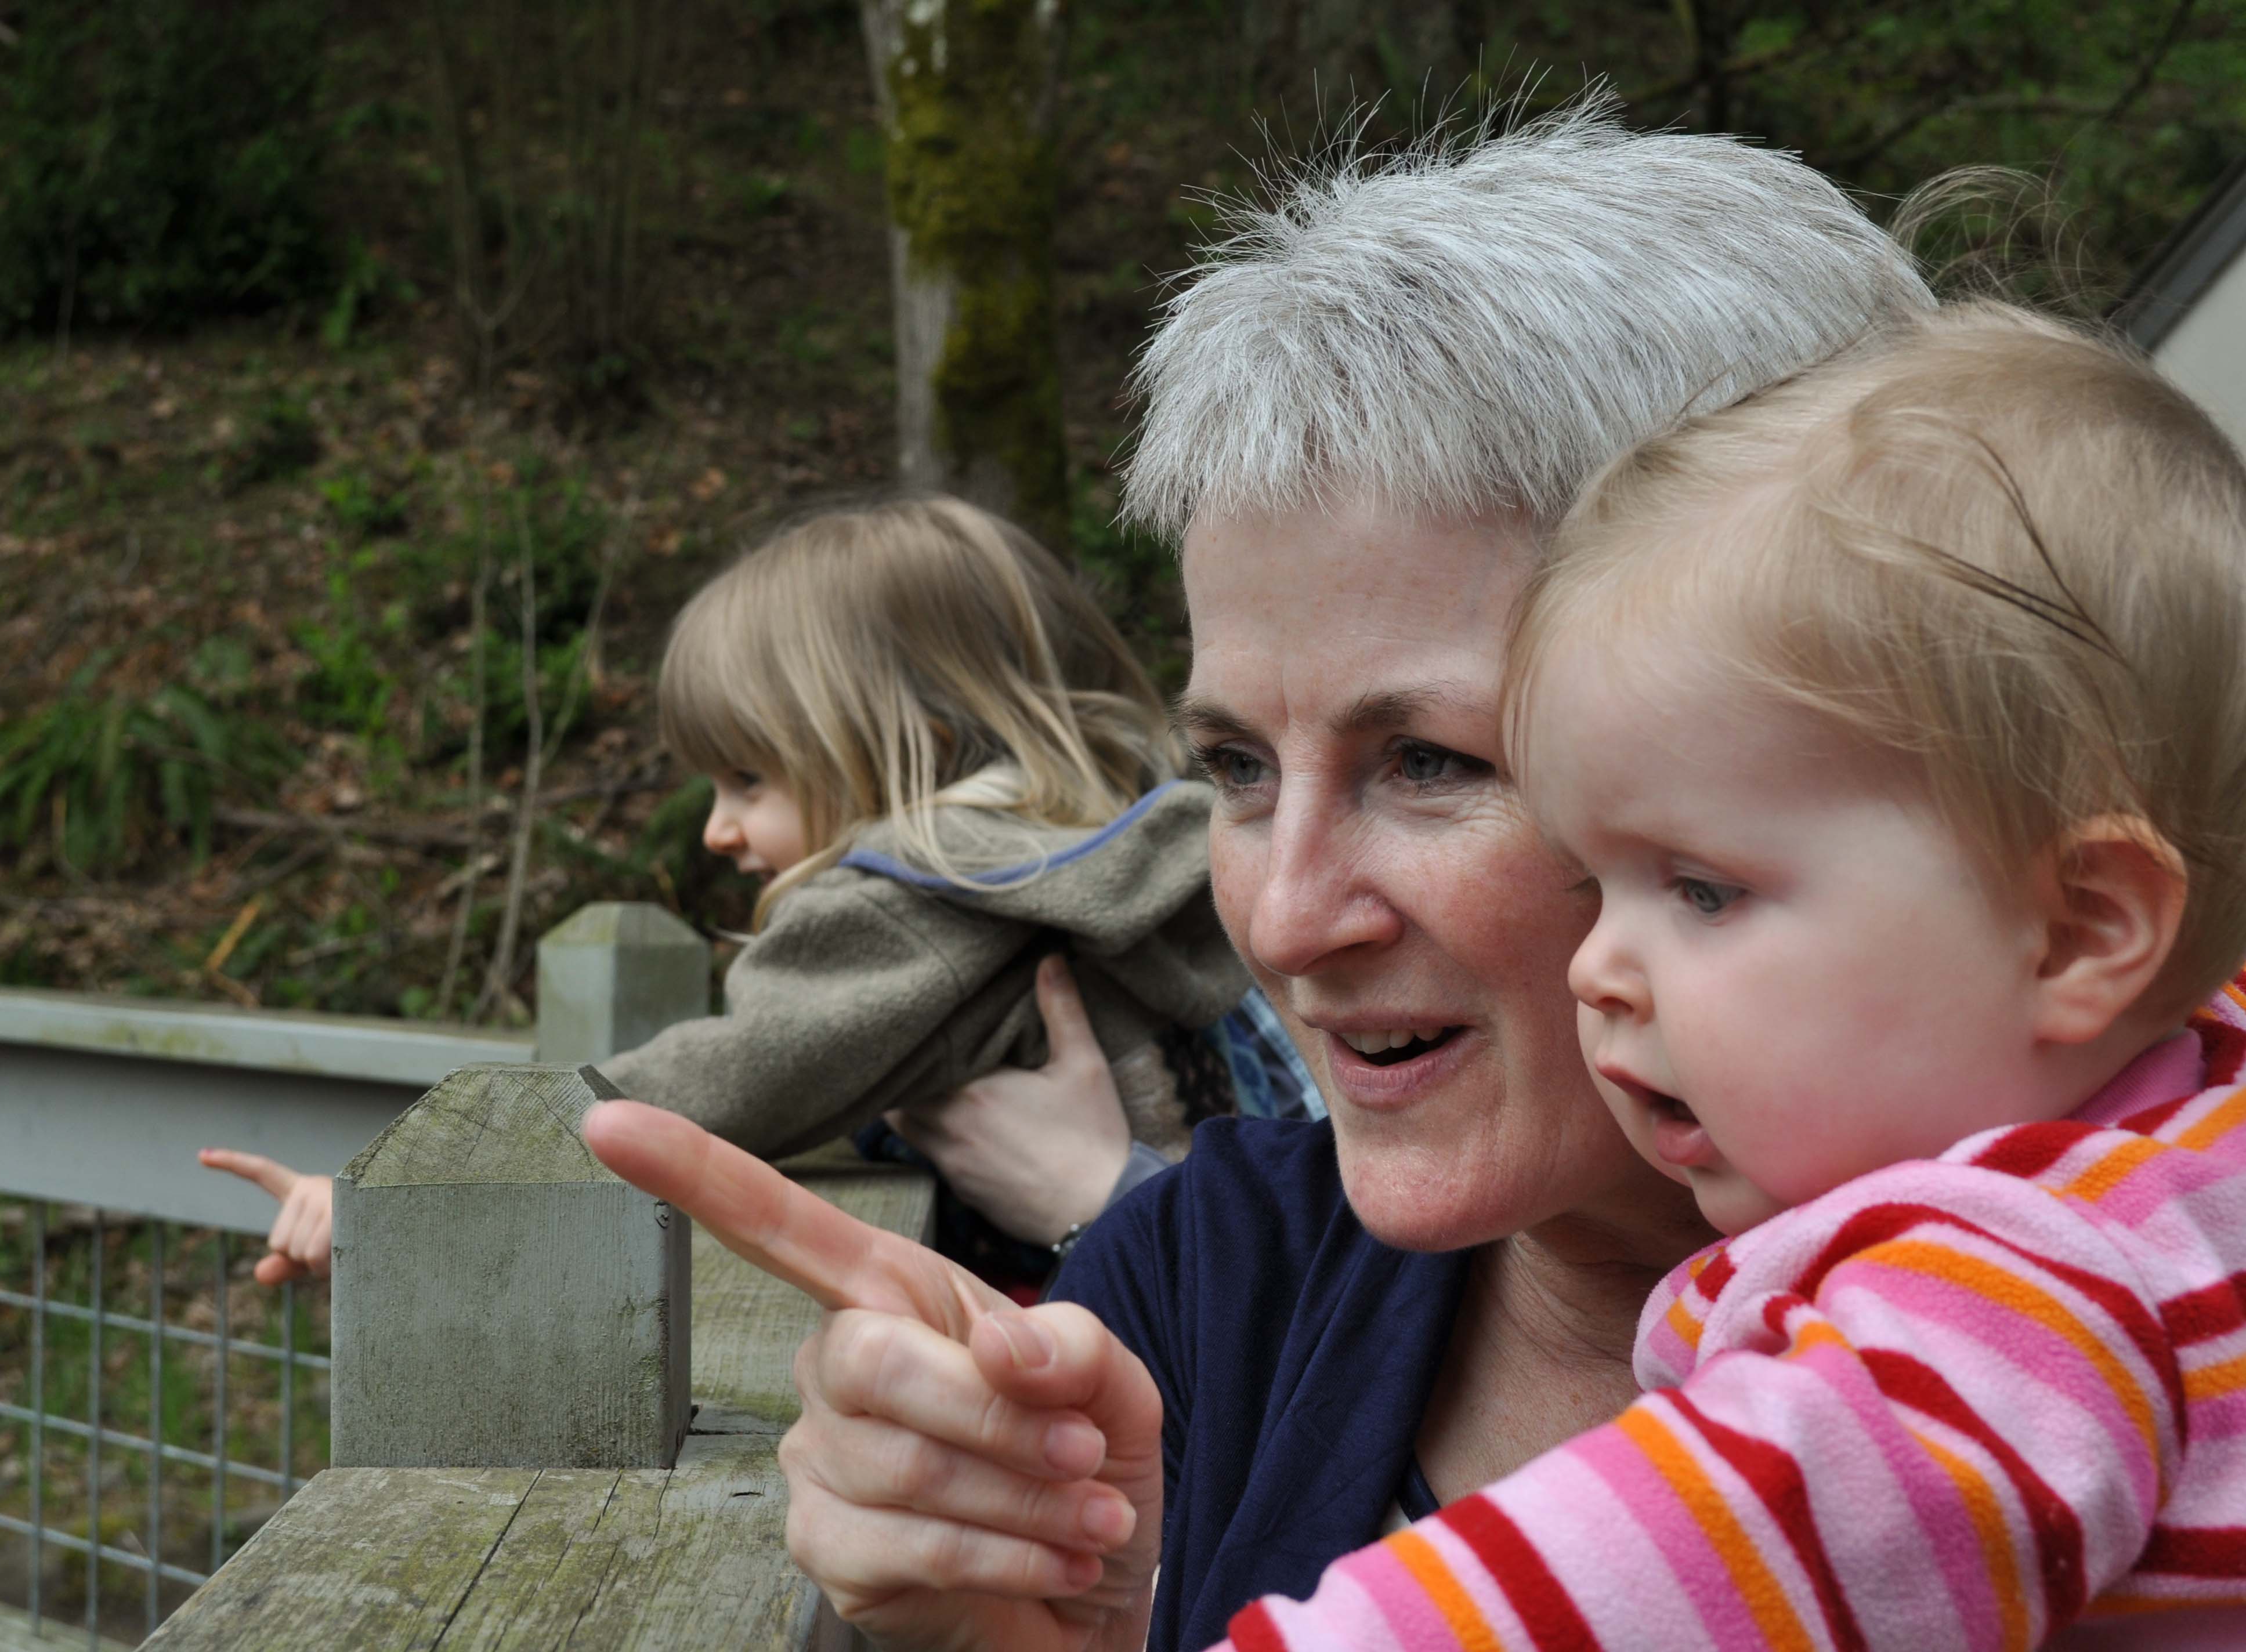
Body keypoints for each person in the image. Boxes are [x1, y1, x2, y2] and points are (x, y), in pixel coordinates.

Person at [578, 96, 1943, 1652]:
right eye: (1233, 767)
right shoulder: (1194, 1293)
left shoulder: (2135, 1381)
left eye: (1430, 760)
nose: (1285, 919)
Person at [1221, 305, 2246, 1647]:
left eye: (1702, 889)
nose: (1597, 967)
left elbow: (1632, 1580)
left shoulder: (2003, 1312)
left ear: (2079, 928)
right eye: (1594, 878)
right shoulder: (2228, 1107)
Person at [204, 495, 1306, 1285]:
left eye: (748, 781)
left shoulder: (907, 907)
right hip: (1220, 1271)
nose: (717, 831)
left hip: (1102, 1316)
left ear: (907, 754)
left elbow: (690, 1098)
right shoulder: (1097, 863)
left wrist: (401, 1191)